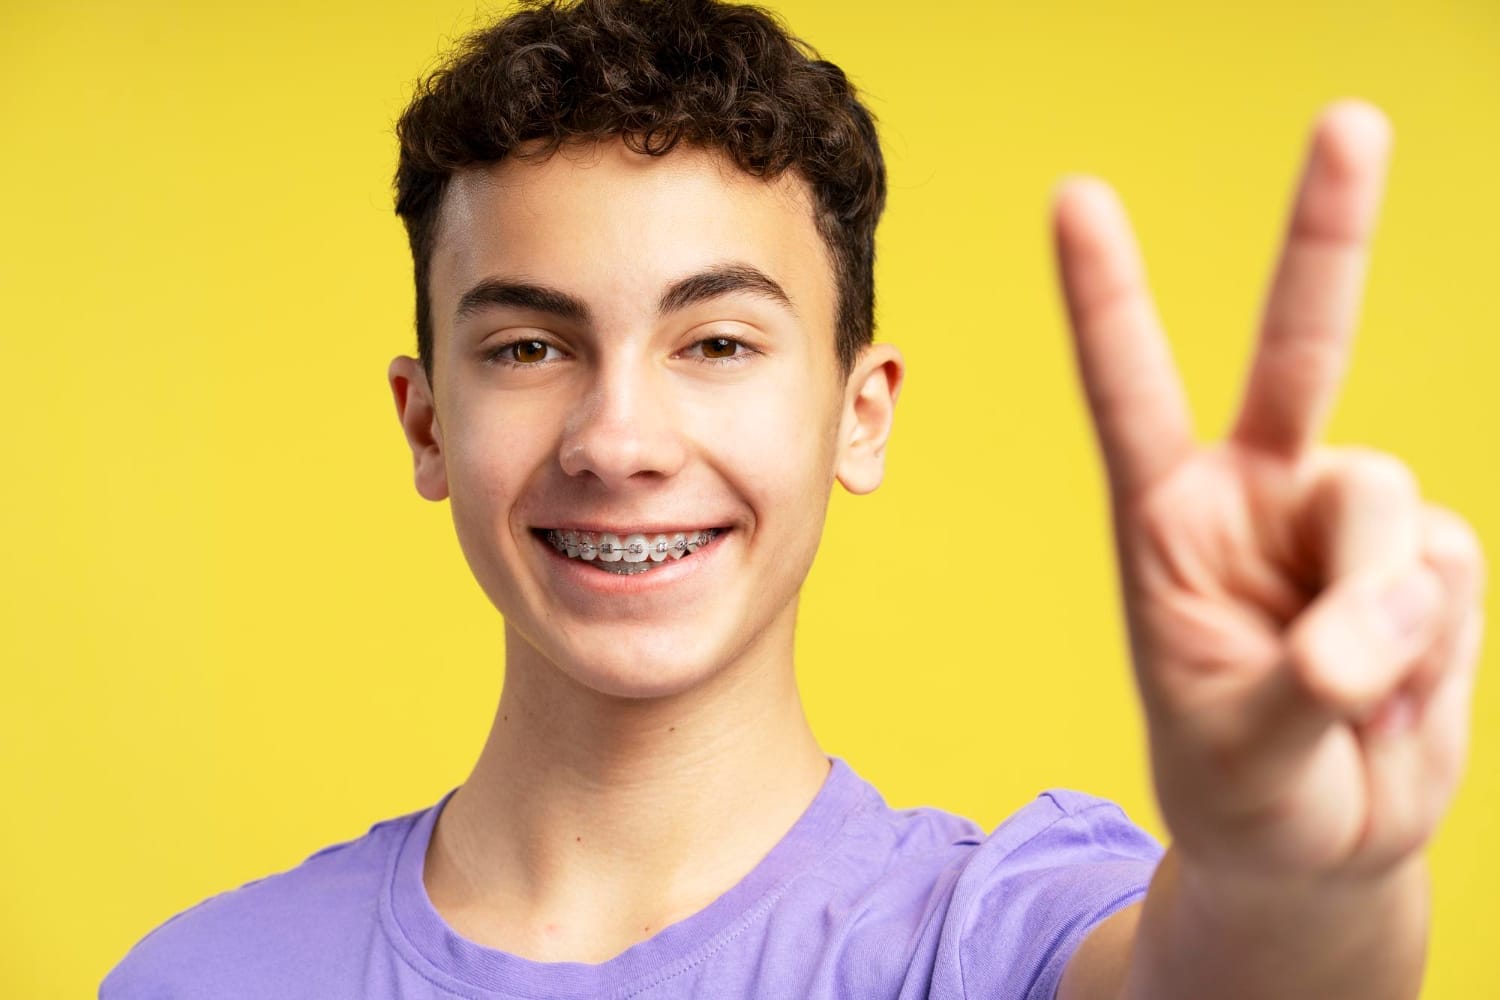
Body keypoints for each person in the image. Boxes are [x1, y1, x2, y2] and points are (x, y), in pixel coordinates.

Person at [101, 0, 1487, 997]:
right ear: (426, 423)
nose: (620, 437)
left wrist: (1296, 871)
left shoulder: (993, 942)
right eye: (530, 346)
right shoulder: (200, 975)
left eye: (716, 343)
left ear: (860, 412)